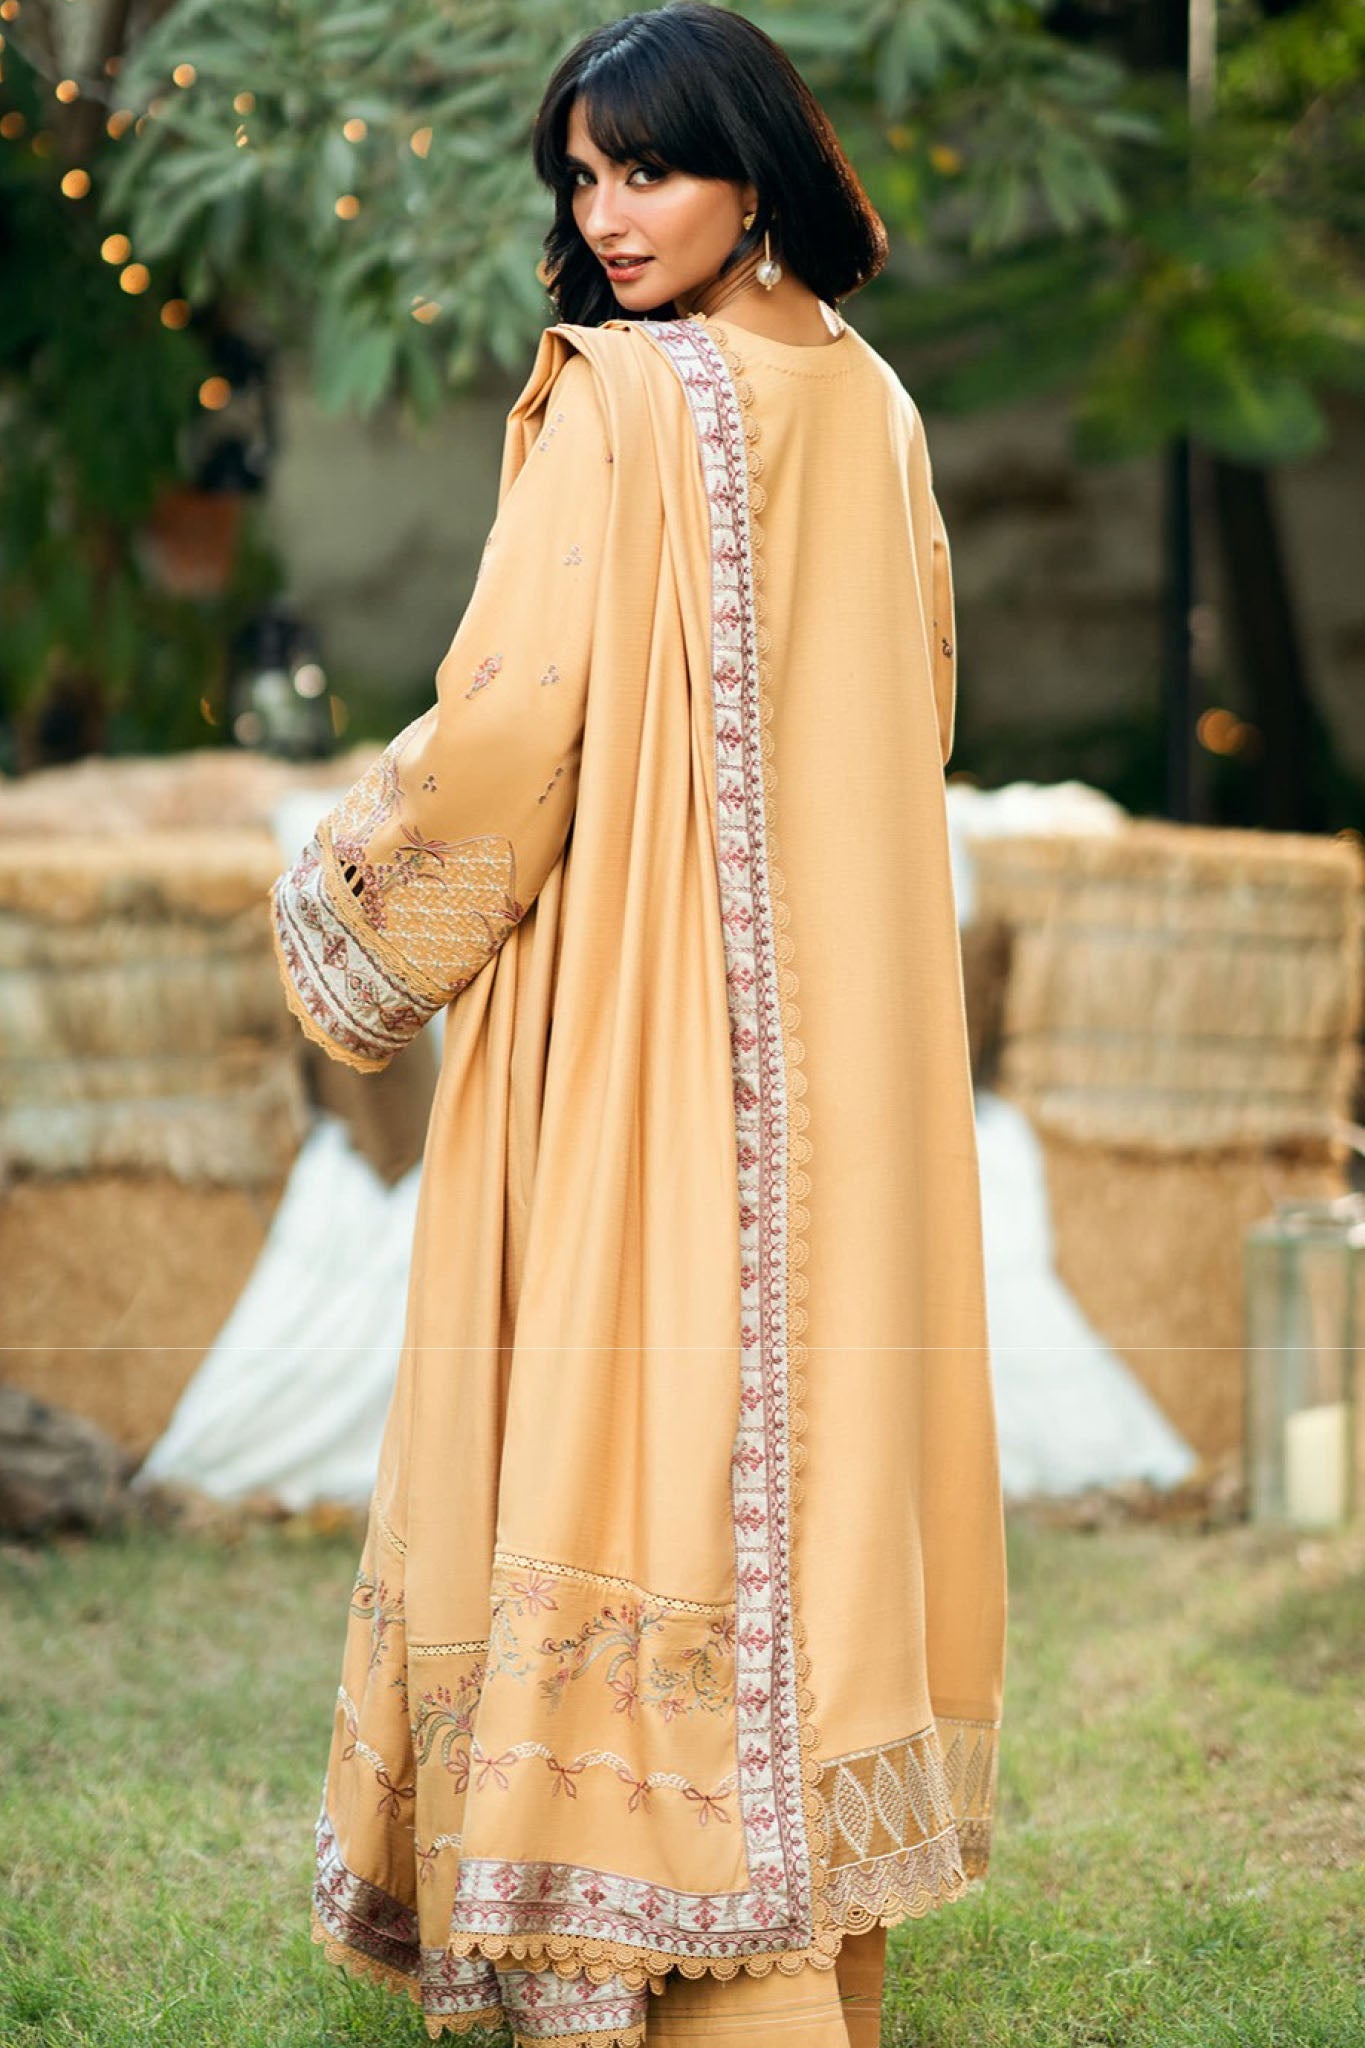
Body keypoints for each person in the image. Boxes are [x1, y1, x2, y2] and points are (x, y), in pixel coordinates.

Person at [269, 5, 1007, 2043]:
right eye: (581, 178)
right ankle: (796, 1947)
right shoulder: (873, 401)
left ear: (754, 170)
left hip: (631, 1019)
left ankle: (637, 1927)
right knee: (804, 1451)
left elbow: (509, 730)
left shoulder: (618, 402)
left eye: (646, 170)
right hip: (850, 1035)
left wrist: (344, 896)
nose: (605, 215)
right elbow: (920, 702)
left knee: (640, 1413)